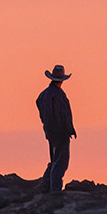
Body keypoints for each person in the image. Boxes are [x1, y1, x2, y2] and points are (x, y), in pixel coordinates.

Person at [36, 65, 76, 193]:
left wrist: (46, 125)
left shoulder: (45, 94)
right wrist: (67, 128)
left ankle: (46, 185)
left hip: (52, 132)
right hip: (59, 132)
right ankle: (54, 190)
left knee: (55, 159)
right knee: (61, 161)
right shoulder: (57, 94)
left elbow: (40, 105)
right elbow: (62, 115)